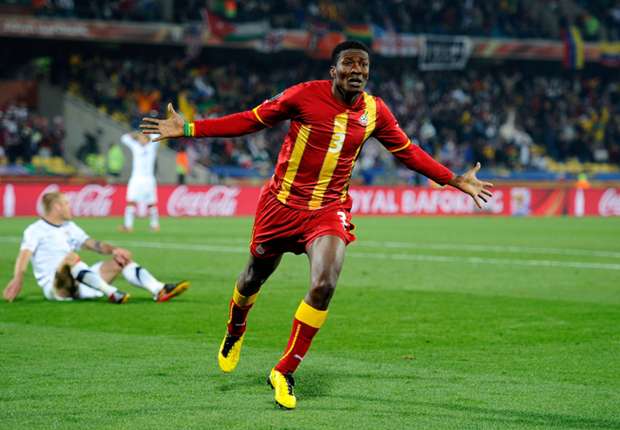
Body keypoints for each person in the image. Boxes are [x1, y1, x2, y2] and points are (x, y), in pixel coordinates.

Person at [140, 41, 493, 409]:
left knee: (324, 284)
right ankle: (235, 329)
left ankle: (284, 370)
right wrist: (190, 128)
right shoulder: (304, 96)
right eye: (349, 64)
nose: (357, 70)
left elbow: (408, 152)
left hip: (328, 210)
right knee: (252, 278)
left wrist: (454, 179)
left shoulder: (375, 111)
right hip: (280, 206)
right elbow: (250, 119)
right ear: (333, 71)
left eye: (363, 65)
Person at [3, 191, 189, 304]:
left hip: (82, 285)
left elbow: (93, 244)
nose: (70, 207)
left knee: (120, 260)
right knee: (71, 257)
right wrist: (18, 279)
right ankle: (111, 293)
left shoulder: (70, 227)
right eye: (67, 203)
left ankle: (159, 289)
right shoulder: (35, 230)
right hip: (56, 288)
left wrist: (115, 250)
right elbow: (24, 256)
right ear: (58, 207)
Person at [119, 131, 160, 232]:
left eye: (143, 138)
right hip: (136, 178)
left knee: (151, 203)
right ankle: (128, 226)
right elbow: (124, 138)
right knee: (131, 201)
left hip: (148, 179)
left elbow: (159, 135)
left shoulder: (152, 146)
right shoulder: (135, 146)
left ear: (147, 138)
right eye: (139, 138)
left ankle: (155, 225)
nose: (140, 139)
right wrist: (136, 134)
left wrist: (147, 132)